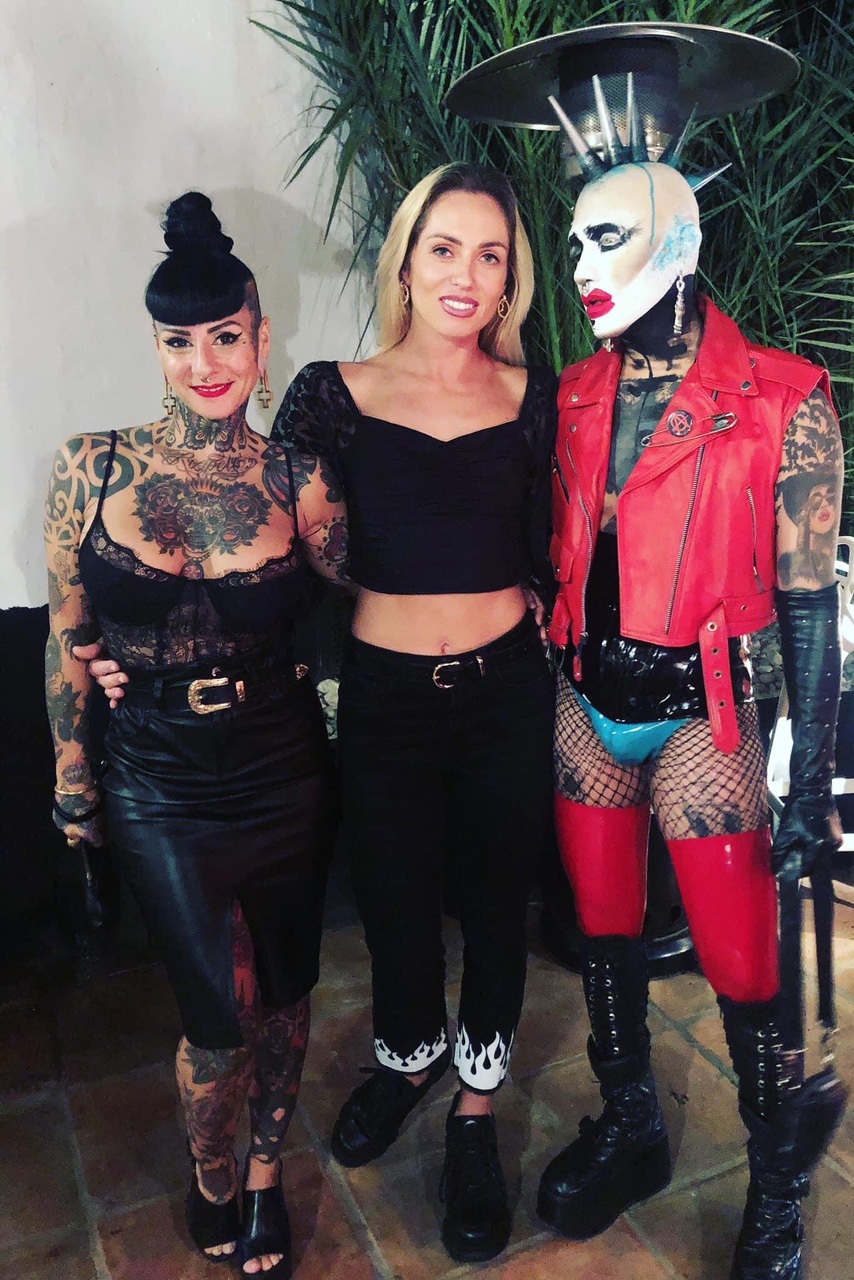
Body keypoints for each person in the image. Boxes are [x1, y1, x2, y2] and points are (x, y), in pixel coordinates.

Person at [90, 163, 558, 1263]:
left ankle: (476, 1110)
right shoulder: (328, 395)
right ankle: (408, 1055)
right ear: (406, 261)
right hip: (385, 698)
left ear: (510, 281)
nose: (465, 273)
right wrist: (123, 653)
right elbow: (258, 537)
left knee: (498, 903)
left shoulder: (536, 398)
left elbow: (559, 536)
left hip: (506, 691)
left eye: (490, 254)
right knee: (394, 901)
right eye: (443, 246)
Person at [446, 30, 846, 1279]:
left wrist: (812, 775)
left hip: (700, 710)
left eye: (604, 239)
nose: (577, 267)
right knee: (603, 930)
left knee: (740, 957)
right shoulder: (569, 393)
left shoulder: (783, 397)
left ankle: (777, 1177)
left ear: (680, 239)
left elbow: (810, 605)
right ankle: (631, 1123)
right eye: (571, 243)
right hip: (585, 694)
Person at [46, 192, 346, 1278]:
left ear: (261, 341)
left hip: (282, 765)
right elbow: (67, 630)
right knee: (218, 1014)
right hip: (156, 775)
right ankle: (212, 1170)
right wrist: (72, 776)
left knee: (288, 993)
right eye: (180, 341)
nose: (204, 362)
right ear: (157, 346)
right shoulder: (91, 464)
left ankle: (263, 1174)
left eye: (226, 336)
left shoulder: (298, 474)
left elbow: (368, 602)